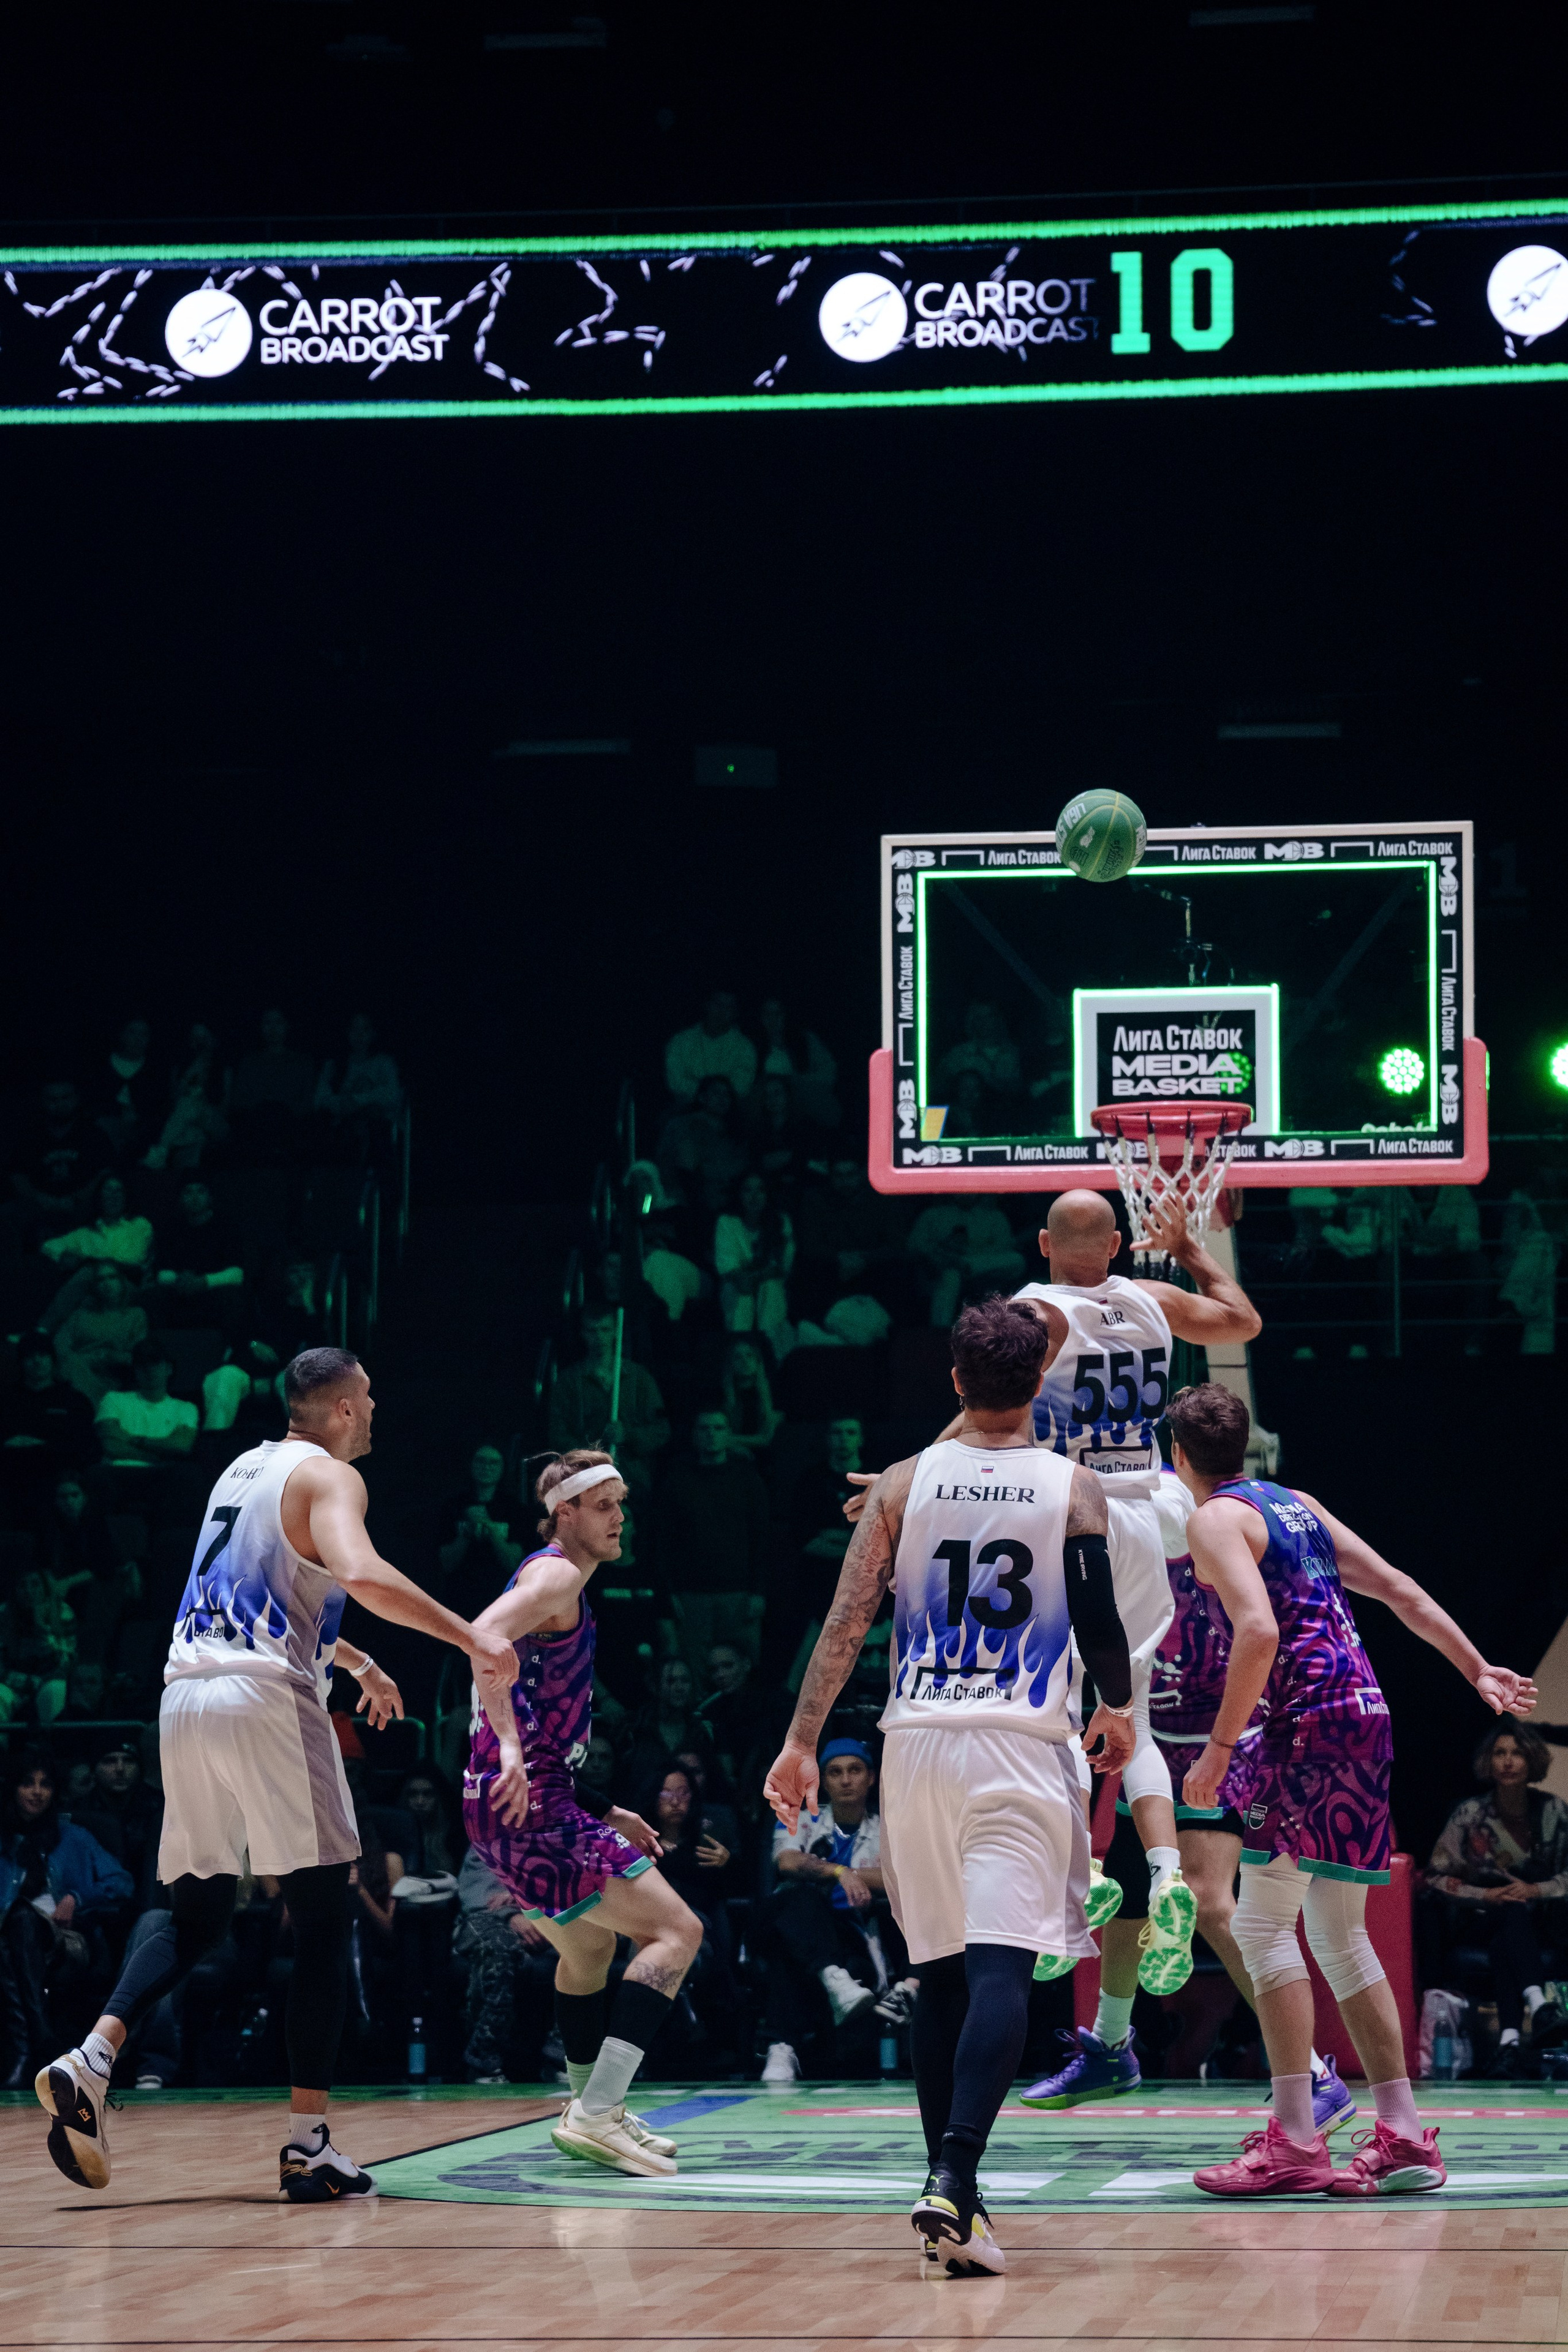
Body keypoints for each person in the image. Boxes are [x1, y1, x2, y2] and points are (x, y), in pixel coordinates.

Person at [34, 1343, 519, 2200]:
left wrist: (357, 1663)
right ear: (338, 1408)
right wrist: (473, 1635)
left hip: (185, 1699)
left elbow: (270, 1593)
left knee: (197, 1910)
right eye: (367, 1398)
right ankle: (308, 2144)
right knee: (325, 1917)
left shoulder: (241, 1470)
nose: (375, 1411)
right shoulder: (334, 1478)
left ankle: (94, 2054)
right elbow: (360, 1572)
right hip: (266, 1704)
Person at [766, 1295, 1136, 2277]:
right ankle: (956, 2175)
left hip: (916, 1745)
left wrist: (802, 1742)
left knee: (940, 1974)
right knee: (1005, 1970)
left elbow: (845, 1627)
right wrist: (1120, 1708)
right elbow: (1098, 1621)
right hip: (1020, 1742)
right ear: (1039, 1387)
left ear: (957, 1381)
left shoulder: (900, 1483)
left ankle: (955, 2197)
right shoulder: (1073, 1486)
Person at [1166, 1381, 1538, 2199]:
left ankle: (1297, 2139)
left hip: (1305, 1728)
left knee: (1264, 1929)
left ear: (1180, 1459)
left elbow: (1258, 1630)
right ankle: (1404, 2134)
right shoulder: (1296, 1504)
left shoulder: (1214, 1518)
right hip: (1366, 1714)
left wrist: (1219, 1750)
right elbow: (1400, 1588)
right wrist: (1477, 1666)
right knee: (1338, 1934)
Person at [1022, 1469, 1354, 2137]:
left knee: (1206, 1900)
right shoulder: (1123, 1532)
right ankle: (1109, 2046)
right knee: (1130, 1892)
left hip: (1212, 1744)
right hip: (1145, 1735)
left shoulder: (1217, 1531)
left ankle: (1315, 2073)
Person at [464, 1450, 704, 2178]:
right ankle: (597, 2112)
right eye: (604, 1504)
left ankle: (591, 2107)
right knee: (675, 1932)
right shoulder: (558, 1574)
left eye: (622, 1503)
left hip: (509, 1806)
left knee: (588, 1953)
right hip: (531, 1805)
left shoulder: (557, 1579)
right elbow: (482, 1636)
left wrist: (603, 1804)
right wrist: (509, 1746)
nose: (619, 1517)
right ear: (563, 1513)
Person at [763, 1738, 916, 2086]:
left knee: (787, 1952)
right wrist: (838, 1872)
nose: (846, 1780)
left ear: (871, 1778)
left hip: (852, 1931)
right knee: (799, 1899)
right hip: (790, 1921)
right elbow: (786, 1861)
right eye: (835, 1772)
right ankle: (833, 1982)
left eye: (855, 1770)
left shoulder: (889, 1829)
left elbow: (901, 1876)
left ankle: (782, 2045)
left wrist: (853, 1875)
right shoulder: (798, 1820)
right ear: (822, 1781)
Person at [1426, 1721, 1568, 2066]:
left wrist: (1536, 1889)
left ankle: (1509, 2040)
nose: (1508, 1761)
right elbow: (1434, 1877)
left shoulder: (1554, 1811)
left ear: (1532, 1760)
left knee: (1511, 1924)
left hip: (1538, 1921)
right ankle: (1539, 2007)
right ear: (1488, 1762)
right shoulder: (1470, 1814)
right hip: (1478, 1917)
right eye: (1499, 1753)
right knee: (1506, 1911)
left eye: (1517, 1753)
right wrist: (1483, 1896)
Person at [0, 1752, 133, 2090]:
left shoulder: (74, 1836)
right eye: (28, 1783)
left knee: (19, 1924)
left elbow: (122, 1882)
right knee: (12, 1933)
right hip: (11, 1941)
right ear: (13, 1789)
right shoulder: (3, 1840)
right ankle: (37, 2044)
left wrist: (77, 1897)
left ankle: (26, 2050)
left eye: (45, 1784)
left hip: (68, 1941)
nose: (36, 1792)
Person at [654, 1409, 770, 1670]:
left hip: (739, 1591)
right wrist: (669, 1590)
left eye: (719, 1429)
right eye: (705, 1429)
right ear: (694, 1435)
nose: (711, 1435)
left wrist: (759, 1590)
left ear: (729, 1435)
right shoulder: (677, 1479)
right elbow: (664, 1540)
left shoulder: (748, 1479)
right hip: (691, 1592)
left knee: (742, 1668)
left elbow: (761, 1537)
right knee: (695, 1670)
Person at [549, 1308, 671, 1500]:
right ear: (583, 1333)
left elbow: (661, 1430)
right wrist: (590, 1456)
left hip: (632, 1480)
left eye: (605, 1330)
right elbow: (556, 1432)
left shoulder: (638, 1378)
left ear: (616, 1331)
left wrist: (628, 1435)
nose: (599, 1337)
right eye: (592, 1331)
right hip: (585, 1480)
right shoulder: (570, 1381)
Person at [907, 1197, 1025, 1327]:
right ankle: (940, 1329)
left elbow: (1005, 1246)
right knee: (951, 1276)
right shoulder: (933, 1214)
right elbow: (914, 1245)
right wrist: (938, 1255)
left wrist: (975, 1256)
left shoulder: (994, 1216)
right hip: (944, 1266)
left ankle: (966, 1264)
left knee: (1017, 1260)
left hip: (984, 1268)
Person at [714, 1170, 795, 1354]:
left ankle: (770, 1352)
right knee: (742, 1293)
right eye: (747, 1190)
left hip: (773, 1289)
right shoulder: (727, 1223)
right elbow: (729, 1269)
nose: (754, 1197)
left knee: (771, 1288)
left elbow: (783, 1267)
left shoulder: (781, 1222)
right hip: (736, 1288)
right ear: (739, 1194)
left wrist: (756, 1275)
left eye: (760, 1190)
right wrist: (751, 1276)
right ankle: (740, 1352)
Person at [53, 1267, 148, 1406]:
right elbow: (59, 1347)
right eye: (101, 1280)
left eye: (112, 1278)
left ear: (122, 1282)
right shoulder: (80, 1316)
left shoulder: (135, 1315)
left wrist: (108, 1356)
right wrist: (89, 1359)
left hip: (111, 1377)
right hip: (75, 1370)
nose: (107, 1283)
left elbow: (138, 1355)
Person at [665, 990, 758, 1104]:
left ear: (735, 1012)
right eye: (718, 1004)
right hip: (687, 1110)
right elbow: (675, 1082)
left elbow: (741, 1087)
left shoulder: (745, 1047)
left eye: (728, 1007)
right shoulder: (681, 1041)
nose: (721, 1011)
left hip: (728, 1114)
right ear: (707, 1005)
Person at [718, 1336, 782, 1463]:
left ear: (758, 1361)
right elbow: (717, 1433)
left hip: (766, 1456)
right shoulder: (721, 1394)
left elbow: (766, 1439)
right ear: (730, 1363)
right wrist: (735, 1447)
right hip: (729, 1456)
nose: (745, 1361)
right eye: (738, 1357)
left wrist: (730, 1441)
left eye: (749, 1355)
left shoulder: (774, 1394)